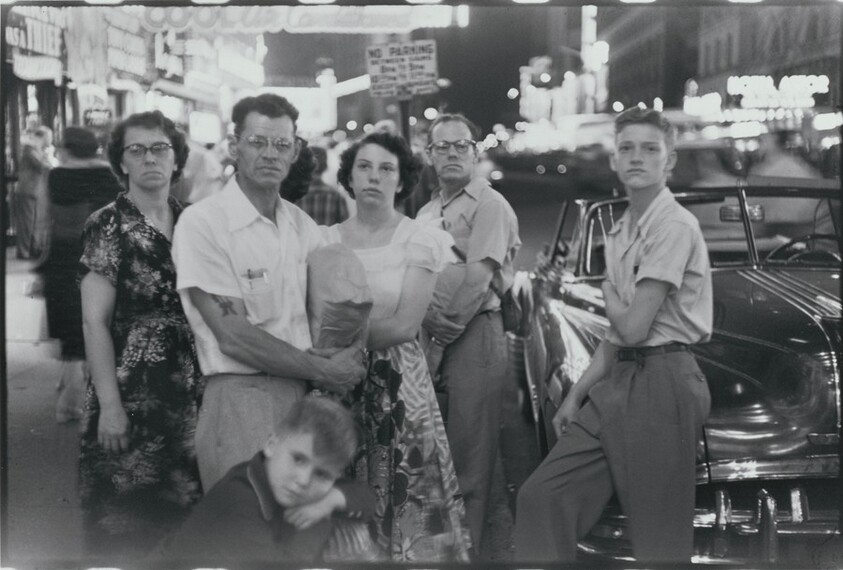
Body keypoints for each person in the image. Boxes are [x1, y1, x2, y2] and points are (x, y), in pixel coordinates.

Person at [514, 107, 712, 562]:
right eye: (626, 148)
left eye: (650, 149)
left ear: (669, 160)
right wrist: (576, 393)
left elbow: (634, 327)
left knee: (657, 541)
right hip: (622, 381)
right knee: (542, 498)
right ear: (614, 161)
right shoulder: (624, 229)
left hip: (664, 381)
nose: (636, 157)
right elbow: (619, 333)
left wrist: (605, 287)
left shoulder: (674, 224)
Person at [171, 93, 366, 491]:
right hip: (241, 399)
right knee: (246, 537)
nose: (270, 154)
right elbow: (233, 336)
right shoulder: (203, 223)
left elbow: (335, 311)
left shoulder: (301, 225)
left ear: (295, 151)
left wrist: (350, 351)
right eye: (257, 142)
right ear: (234, 146)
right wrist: (325, 369)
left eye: (281, 144)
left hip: (303, 401)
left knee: (298, 541)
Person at [322, 131, 472, 561]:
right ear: (348, 178)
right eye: (364, 167)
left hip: (398, 386)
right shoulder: (323, 239)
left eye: (386, 168)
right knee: (343, 500)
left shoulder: (419, 238)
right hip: (337, 386)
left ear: (402, 181)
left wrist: (335, 340)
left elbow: (406, 325)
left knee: (405, 495)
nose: (374, 177)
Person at [78, 111, 201, 557]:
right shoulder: (107, 224)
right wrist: (110, 406)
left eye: (160, 148)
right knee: (125, 523)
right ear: (122, 162)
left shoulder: (194, 222)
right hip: (129, 390)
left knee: (187, 521)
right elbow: (94, 321)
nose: (150, 158)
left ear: (176, 158)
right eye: (137, 149)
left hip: (191, 389)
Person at [415, 113, 520, 555]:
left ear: (475, 152)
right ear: (430, 155)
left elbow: (477, 282)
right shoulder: (425, 212)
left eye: (462, 146)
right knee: (437, 459)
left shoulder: (488, 204)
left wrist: (436, 346)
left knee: (471, 466)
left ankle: (470, 553)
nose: (453, 153)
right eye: (443, 147)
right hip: (431, 339)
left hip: (472, 338)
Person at [154, 396, 382, 563]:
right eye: (298, 459)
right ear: (272, 444)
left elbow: (366, 497)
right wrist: (316, 521)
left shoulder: (283, 481)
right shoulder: (237, 499)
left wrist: (329, 501)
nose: (303, 480)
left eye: (322, 474)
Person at [39, 126, 123, 422]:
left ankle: (70, 398)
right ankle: (98, 395)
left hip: (64, 257)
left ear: (68, 148)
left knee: (72, 329)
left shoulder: (56, 175)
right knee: (99, 321)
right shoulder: (111, 175)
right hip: (102, 255)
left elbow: (45, 218)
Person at [13, 125, 54, 259]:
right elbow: (43, 165)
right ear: (41, 137)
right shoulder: (30, 149)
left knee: (34, 222)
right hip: (27, 191)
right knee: (26, 223)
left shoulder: (36, 150)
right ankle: (23, 252)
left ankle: (30, 250)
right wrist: (49, 155)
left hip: (34, 192)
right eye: (49, 137)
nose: (51, 140)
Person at [296, 146, 349, 226]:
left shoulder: (296, 196)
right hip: (329, 238)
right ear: (325, 166)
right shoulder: (336, 196)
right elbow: (345, 228)